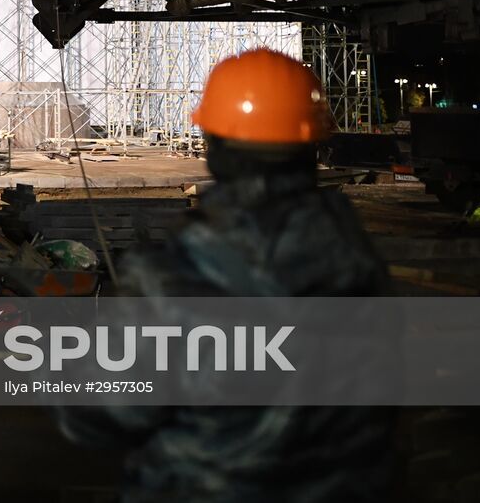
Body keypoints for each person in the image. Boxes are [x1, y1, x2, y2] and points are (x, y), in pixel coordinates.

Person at [53, 47, 394, 502]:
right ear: (312, 145)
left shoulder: (171, 275)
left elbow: (101, 415)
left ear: (214, 147)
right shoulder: (356, 258)